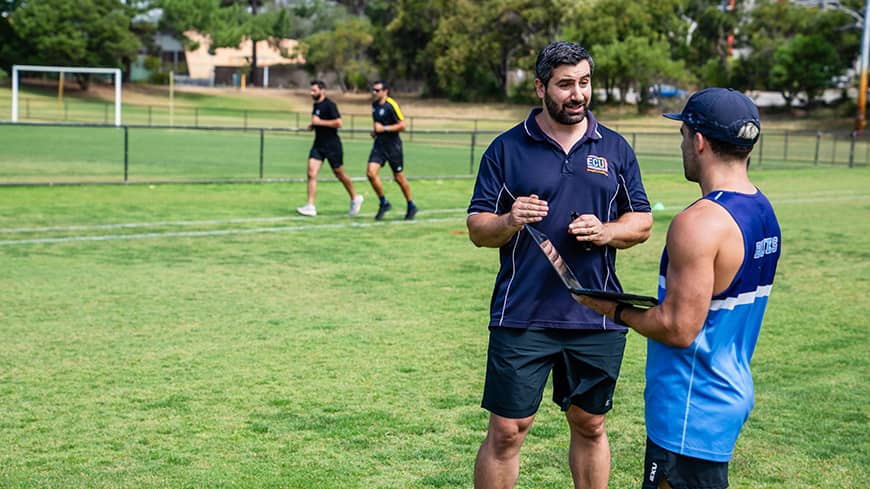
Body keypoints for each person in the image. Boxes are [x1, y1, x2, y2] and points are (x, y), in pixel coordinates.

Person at [466, 41, 653, 489]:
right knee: (508, 430)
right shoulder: (507, 148)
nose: (577, 94)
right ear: (541, 87)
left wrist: (607, 231)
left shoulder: (614, 148)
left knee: (590, 425)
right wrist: (510, 220)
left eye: (584, 82)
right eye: (565, 84)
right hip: (522, 314)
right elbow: (477, 227)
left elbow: (642, 221)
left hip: (597, 315)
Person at [574, 88, 781, 489]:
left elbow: (679, 328)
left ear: (699, 141)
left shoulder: (699, 222)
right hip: (727, 393)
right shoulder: (763, 210)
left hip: (691, 406)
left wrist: (611, 309)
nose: (682, 144)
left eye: (683, 135)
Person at [296, 80, 364, 217]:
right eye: (311, 90)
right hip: (318, 145)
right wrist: (313, 126)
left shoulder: (330, 105)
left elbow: (339, 123)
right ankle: (310, 206)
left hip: (332, 146)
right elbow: (317, 121)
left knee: (339, 174)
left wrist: (319, 122)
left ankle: (355, 198)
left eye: (314, 90)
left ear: (323, 91)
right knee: (311, 173)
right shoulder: (316, 105)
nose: (311, 93)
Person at [366, 80, 418, 220]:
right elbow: (378, 124)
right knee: (371, 173)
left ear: (385, 91)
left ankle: (411, 205)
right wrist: (376, 132)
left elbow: (402, 125)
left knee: (398, 177)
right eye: (373, 90)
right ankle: (384, 202)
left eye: (377, 90)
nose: (374, 93)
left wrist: (385, 129)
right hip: (379, 146)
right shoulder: (374, 105)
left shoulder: (391, 105)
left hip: (393, 146)